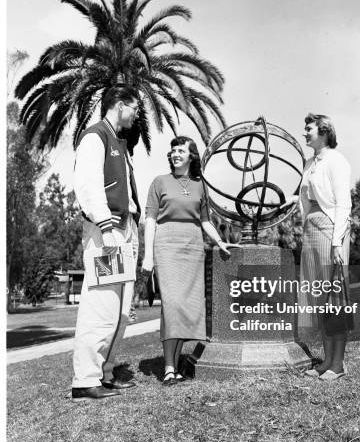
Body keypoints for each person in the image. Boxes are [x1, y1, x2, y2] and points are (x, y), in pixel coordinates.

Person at [141, 136, 238, 386]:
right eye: (173, 150)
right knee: (171, 306)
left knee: (186, 307)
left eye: (181, 150)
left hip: (193, 246)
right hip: (166, 245)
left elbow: (205, 220)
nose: (175, 153)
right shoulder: (159, 182)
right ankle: (169, 368)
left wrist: (219, 241)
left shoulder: (199, 185)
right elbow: (150, 219)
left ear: (191, 155)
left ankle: (176, 364)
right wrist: (148, 255)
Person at [71, 85, 141, 399]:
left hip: (124, 229)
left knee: (121, 310)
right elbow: (87, 184)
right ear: (120, 104)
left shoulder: (118, 141)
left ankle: (104, 373)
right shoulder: (95, 136)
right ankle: (85, 380)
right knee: (101, 305)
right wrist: (104, 223)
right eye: (135, 106)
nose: (137, 113)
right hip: (106, 230)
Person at [284, 114, 352, 381]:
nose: (304, 133)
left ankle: (338, 364)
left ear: (323, 131)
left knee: (334, 299)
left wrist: (337, 242)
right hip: (311, 230)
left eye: (308, 129)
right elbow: (305, 196)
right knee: (319, 299)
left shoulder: (337, 160)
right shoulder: (311, 163)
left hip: (330, 230)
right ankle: (327, 361)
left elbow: (343, 204)